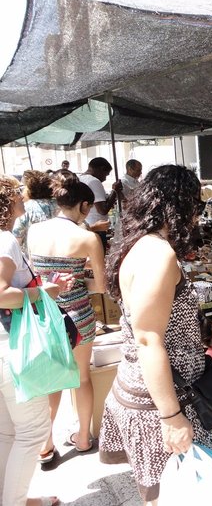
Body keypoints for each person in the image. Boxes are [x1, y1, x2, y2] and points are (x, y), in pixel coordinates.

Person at [99, 165, 212, 504]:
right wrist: (172, 416)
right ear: (180, 205)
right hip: (162, 398)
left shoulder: (137, 243)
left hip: (150, 387)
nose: (197, 214)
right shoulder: (159, 255)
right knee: (177, 494)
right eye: (195, 204)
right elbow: (148, 339)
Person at [0, 175, 68, 506]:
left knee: (9, 433)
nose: (21, 202)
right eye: (15, 197)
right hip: (11, 345)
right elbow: (1, 295)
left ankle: (13, 498)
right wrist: (45, 292)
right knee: (31, 432)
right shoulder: (4, 240)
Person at [28, 172, 105, 460]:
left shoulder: (34, 231)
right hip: (79, 316)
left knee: (51, 379)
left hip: (45, 314)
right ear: (85, 206)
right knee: (82, 377)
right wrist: (80, 279)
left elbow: (36, 275)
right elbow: (101, 287)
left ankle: (45, 445)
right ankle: (84, 439)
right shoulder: (87, 238)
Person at [79, 157, 121, 250]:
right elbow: (103, 210)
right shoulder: (94, 181)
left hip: (85, 225)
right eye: (106, 175)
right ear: (101, 169)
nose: (105, 179)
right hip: (97, 228)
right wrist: (115, 191)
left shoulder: (80, 178)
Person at [12, 170, 58, 253]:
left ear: (29, 188)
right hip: (62, 257)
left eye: (22, 188)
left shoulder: (25, 209)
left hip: (34, 259)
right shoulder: (61, 204)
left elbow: (16, 240)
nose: (21, 192)